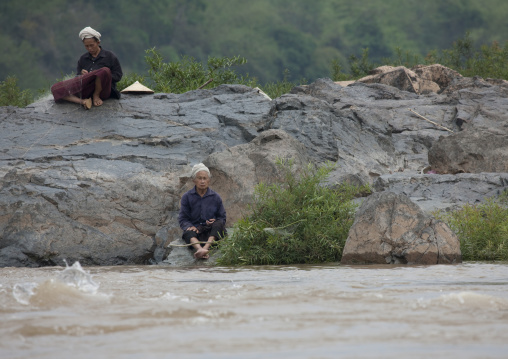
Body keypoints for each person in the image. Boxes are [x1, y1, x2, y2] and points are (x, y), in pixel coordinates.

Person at [50, 26, 123, 109]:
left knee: (104, 71)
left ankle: (96, 95)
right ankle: (83, 101)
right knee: (55, 88)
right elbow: (77, 79)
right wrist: (82, 75)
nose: (89, 48)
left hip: (104, 90)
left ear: (98, 42)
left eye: (92, 45)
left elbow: (118, 75)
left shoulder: (109, 56)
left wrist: (100, 76)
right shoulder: (83, 59)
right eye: (86, 46)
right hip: (87, 90)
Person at [178, 163, 227, 259]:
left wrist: (214, 221)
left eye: (205, 178)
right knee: (188, 232)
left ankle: (205, 248)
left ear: (209, 180)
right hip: (196, 232)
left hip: (211, 232)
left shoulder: (215, 197)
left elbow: (222, 217)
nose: (202, 181)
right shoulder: (187, 197)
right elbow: (183, 219)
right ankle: (199, 249)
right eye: (199, 178)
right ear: (194, 180)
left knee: (219, 224)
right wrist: (190, 226)